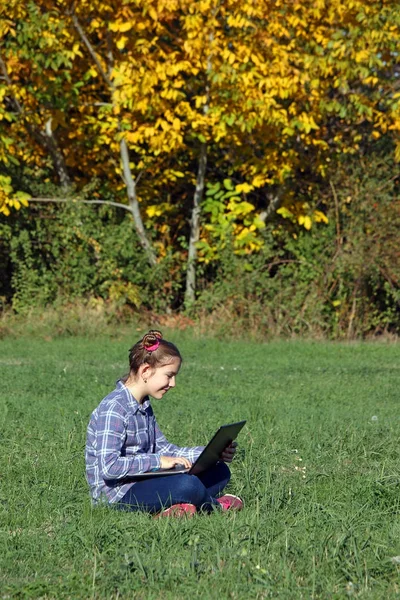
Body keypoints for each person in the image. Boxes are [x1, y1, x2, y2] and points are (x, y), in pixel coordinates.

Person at [85, 330, 243, 517]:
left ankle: (174, 510)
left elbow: (164, 449)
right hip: (117, 495)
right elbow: (109, 468)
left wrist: (210, 453)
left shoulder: (143, 405)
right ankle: (214, 507)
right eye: (169, 375)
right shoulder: (114, 409)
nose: (173, 383)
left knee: (219, 470)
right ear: (145, 371)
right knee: (188, 485)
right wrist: (158, 461)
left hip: (146, 481)